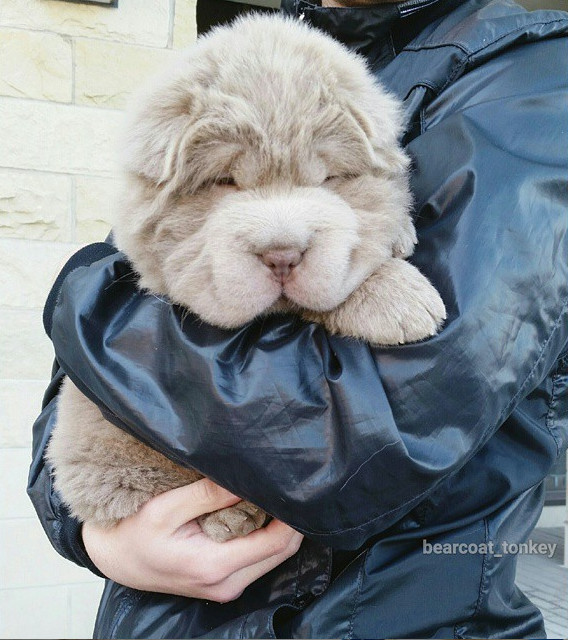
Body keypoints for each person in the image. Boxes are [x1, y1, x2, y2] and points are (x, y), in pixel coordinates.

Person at [29, 0, 568, 637]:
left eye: (327, 178)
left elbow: (354, 434)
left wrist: (87, 295)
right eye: (228, 183)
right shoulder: (246, 60)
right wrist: (96, 538)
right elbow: (71, 407)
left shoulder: (528, 75)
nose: (280, 231)